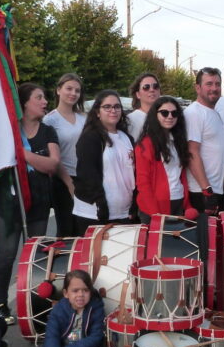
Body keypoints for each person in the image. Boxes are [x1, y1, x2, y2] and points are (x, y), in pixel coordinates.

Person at [0, 83, 60, 324]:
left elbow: (51, 165)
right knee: (6, 253)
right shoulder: (6, 131)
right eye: (39, 97)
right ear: (25, 103)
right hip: (7, 201)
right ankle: (0, 304)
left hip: (39, 201)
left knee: (34, 255)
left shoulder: (47, 131)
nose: (44, 102)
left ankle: (34, 303)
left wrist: (21, 153)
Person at [72, 90, 135, 234]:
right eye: (107, 107)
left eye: (117, 106)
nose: (113, 110)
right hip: (95, 215)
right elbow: (87, 174)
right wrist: (101, 204)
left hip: (123, 213)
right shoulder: (90, 138)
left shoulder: (126, 138)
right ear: (98, 112)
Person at [28, 269, 105, 347]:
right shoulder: (59, 309)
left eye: (85, 290)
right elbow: (51, 336)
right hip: (62, 346)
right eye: (75, 291)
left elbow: (95, 337)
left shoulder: (96, 308)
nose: (80, 295)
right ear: (66, 293)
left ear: (91, 292)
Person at [134, 96, 193, 223]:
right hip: (155, 207)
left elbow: (181, 176)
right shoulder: (145, 144)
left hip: (178, 201)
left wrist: (187, 205)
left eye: (174, 113)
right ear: (155, 115)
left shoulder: (178, 141)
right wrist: (155, 214)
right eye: (164, 113)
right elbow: (143, 183)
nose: (170, 116)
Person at [43, 73, 86, 237]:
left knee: (84, 229)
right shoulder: (50, 120)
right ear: (58, 90)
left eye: (77, 90)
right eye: (69, 88)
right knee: (67, 230)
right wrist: (69, 183)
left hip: (85, 179)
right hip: (62, 181)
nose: (73, 93)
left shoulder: (83, 118)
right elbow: (53, 157)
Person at [184, 68, 224, 214]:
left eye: (217, 84)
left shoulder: (215, 114)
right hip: (201, 192)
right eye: (209, 84)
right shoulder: (194, 113)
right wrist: (206, 190)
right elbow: (191, 152)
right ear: (197, 88)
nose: (214, 88)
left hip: (215, 189)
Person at [126, 72, 161, 141]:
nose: (152, 90)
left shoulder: (168, 116)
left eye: (155, 86)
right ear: (138, 94)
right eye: (146, 87)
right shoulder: (131, 120)